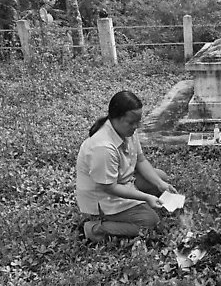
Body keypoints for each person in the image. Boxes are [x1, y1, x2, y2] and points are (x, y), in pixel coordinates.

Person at [75, 90, 178, 243]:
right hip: (105, 199)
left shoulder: (127, 131)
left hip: (123, 183)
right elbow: (110, 188)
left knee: (160, 176)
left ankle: (139, 201)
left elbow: (141, 161)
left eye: (138, 121)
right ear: (115, 119)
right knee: (151, 223)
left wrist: (160, 184)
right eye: (131, 122)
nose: (136, 126)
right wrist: (146, 197)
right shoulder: (103, 147)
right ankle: (95, 228)